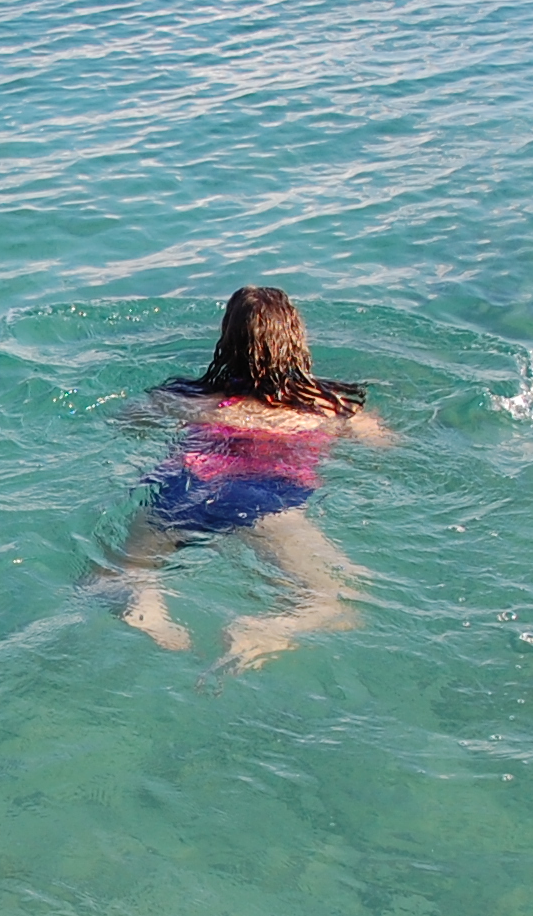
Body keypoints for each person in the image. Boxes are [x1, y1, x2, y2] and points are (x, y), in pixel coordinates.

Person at [95, 286, 392, 671]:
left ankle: (143, 604)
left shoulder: (184, 396)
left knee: (123, 572)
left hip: (184, 488)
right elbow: (384, 447)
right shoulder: (330, 406)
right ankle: (268, 629)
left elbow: (124, 421)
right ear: (295, 339)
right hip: (264, 497)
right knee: (333, 601)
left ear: (226, 341)